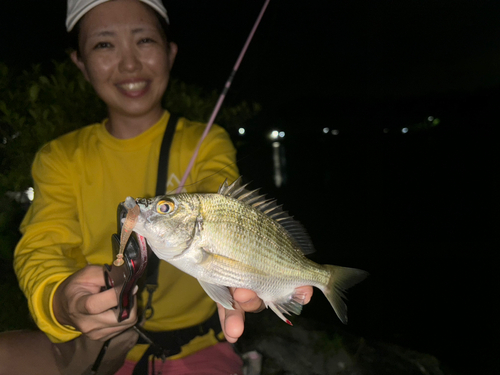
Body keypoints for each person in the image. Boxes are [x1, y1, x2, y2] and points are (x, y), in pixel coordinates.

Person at [0, 1, 313, 374]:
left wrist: (241, 257)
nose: (129, 63)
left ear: (170, 52)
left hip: (201, 346)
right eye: (104, 44)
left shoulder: (208, 140)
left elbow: (219, 195)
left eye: (144, 40)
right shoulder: (59, 157)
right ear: (80, 63)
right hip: (107, 350)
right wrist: (61, 299)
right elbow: (42, 245)